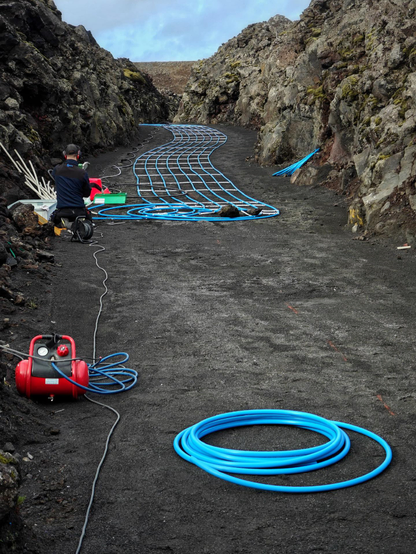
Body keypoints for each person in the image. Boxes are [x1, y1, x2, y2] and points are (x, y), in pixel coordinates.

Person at [51, 144, 92, 226]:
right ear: (78, 155)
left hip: (62, 210)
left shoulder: (57, 170)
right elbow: (87, 193)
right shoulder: (82, 173)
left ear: (64, 155)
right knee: (88, 220)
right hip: (79, 210)